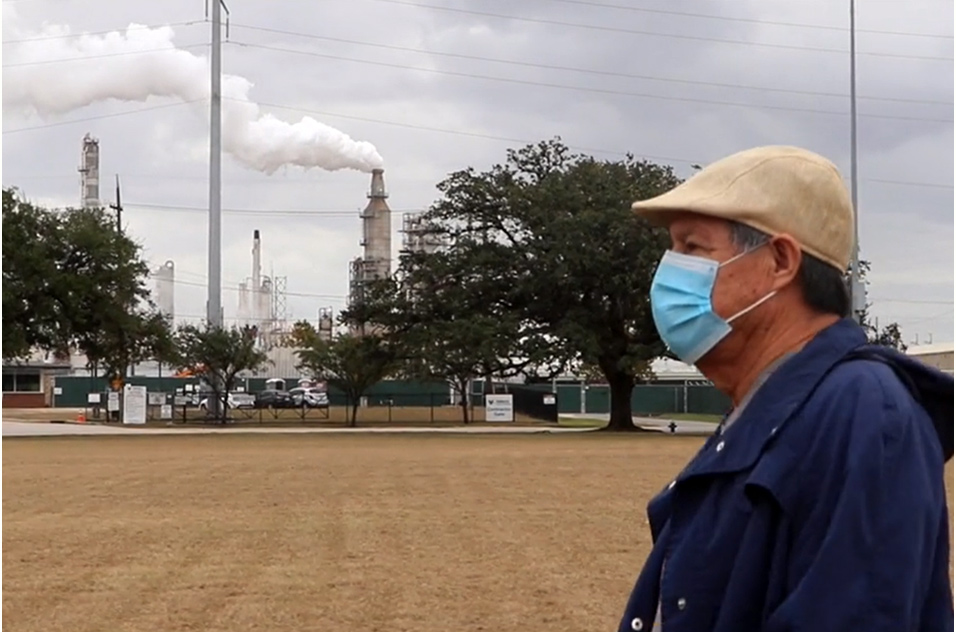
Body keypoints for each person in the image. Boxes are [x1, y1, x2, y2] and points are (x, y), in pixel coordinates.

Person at [618, 145, 954, 632]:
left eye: (692, 248)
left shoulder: (862, 412)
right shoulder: (767, 410)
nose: (668, 271)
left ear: (779, 260)